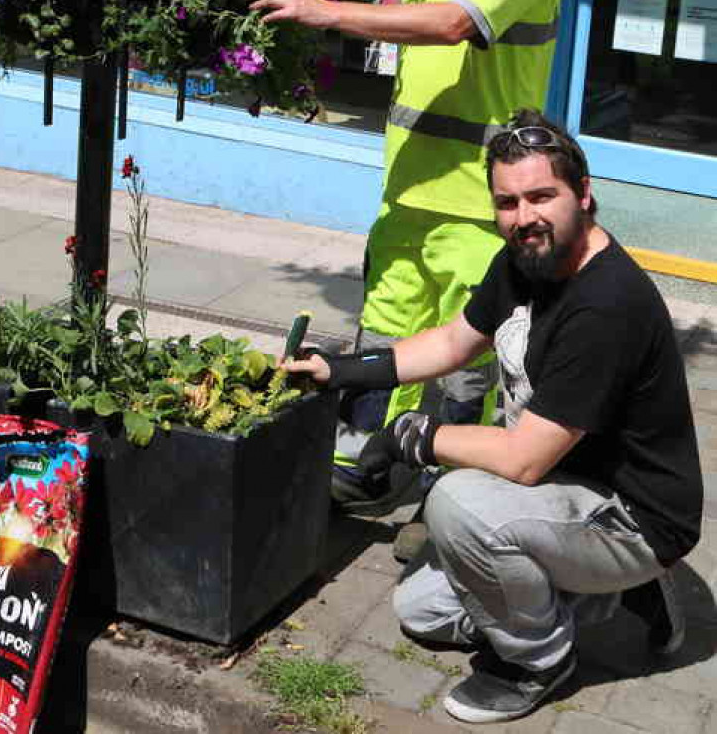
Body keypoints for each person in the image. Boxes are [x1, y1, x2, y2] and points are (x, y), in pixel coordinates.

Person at [284, 110, 703, 724]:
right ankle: (603, 593)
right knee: (422, 612)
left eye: (541, 196)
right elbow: (453, 343)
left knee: (458, 505)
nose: (524, 216)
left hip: (631, 514)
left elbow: (522, 459)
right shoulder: (525, 261)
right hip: (563, 486)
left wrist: (416, 437)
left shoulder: (606, 306)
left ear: (584, 195)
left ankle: (540, 661)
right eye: (507, 202)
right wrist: (342, 371)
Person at [250, 0, 566, 520]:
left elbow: (452, 22)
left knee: (465, 369)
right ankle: (351, 478)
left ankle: (447, 507)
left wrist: (321, 10)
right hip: (406, 189)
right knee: (382, 343)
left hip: (482, 202)